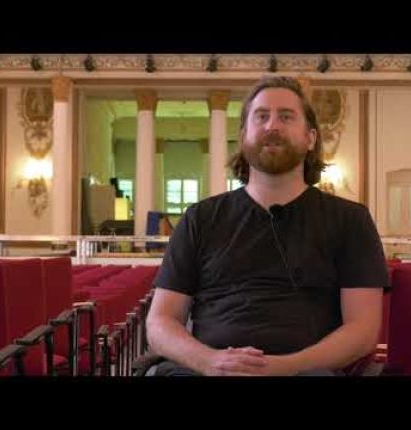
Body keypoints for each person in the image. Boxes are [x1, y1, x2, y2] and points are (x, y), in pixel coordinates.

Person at [146, 76, 390, 376]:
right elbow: (159, 323)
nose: (272, 125)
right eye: (261, 116)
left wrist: (285, 367)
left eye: (286, 117)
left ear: (311, 138)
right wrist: (210, 361)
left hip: (306, 371)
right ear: (243, 136)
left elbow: (362, 331)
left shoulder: (351, 220)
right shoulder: (200, 218)